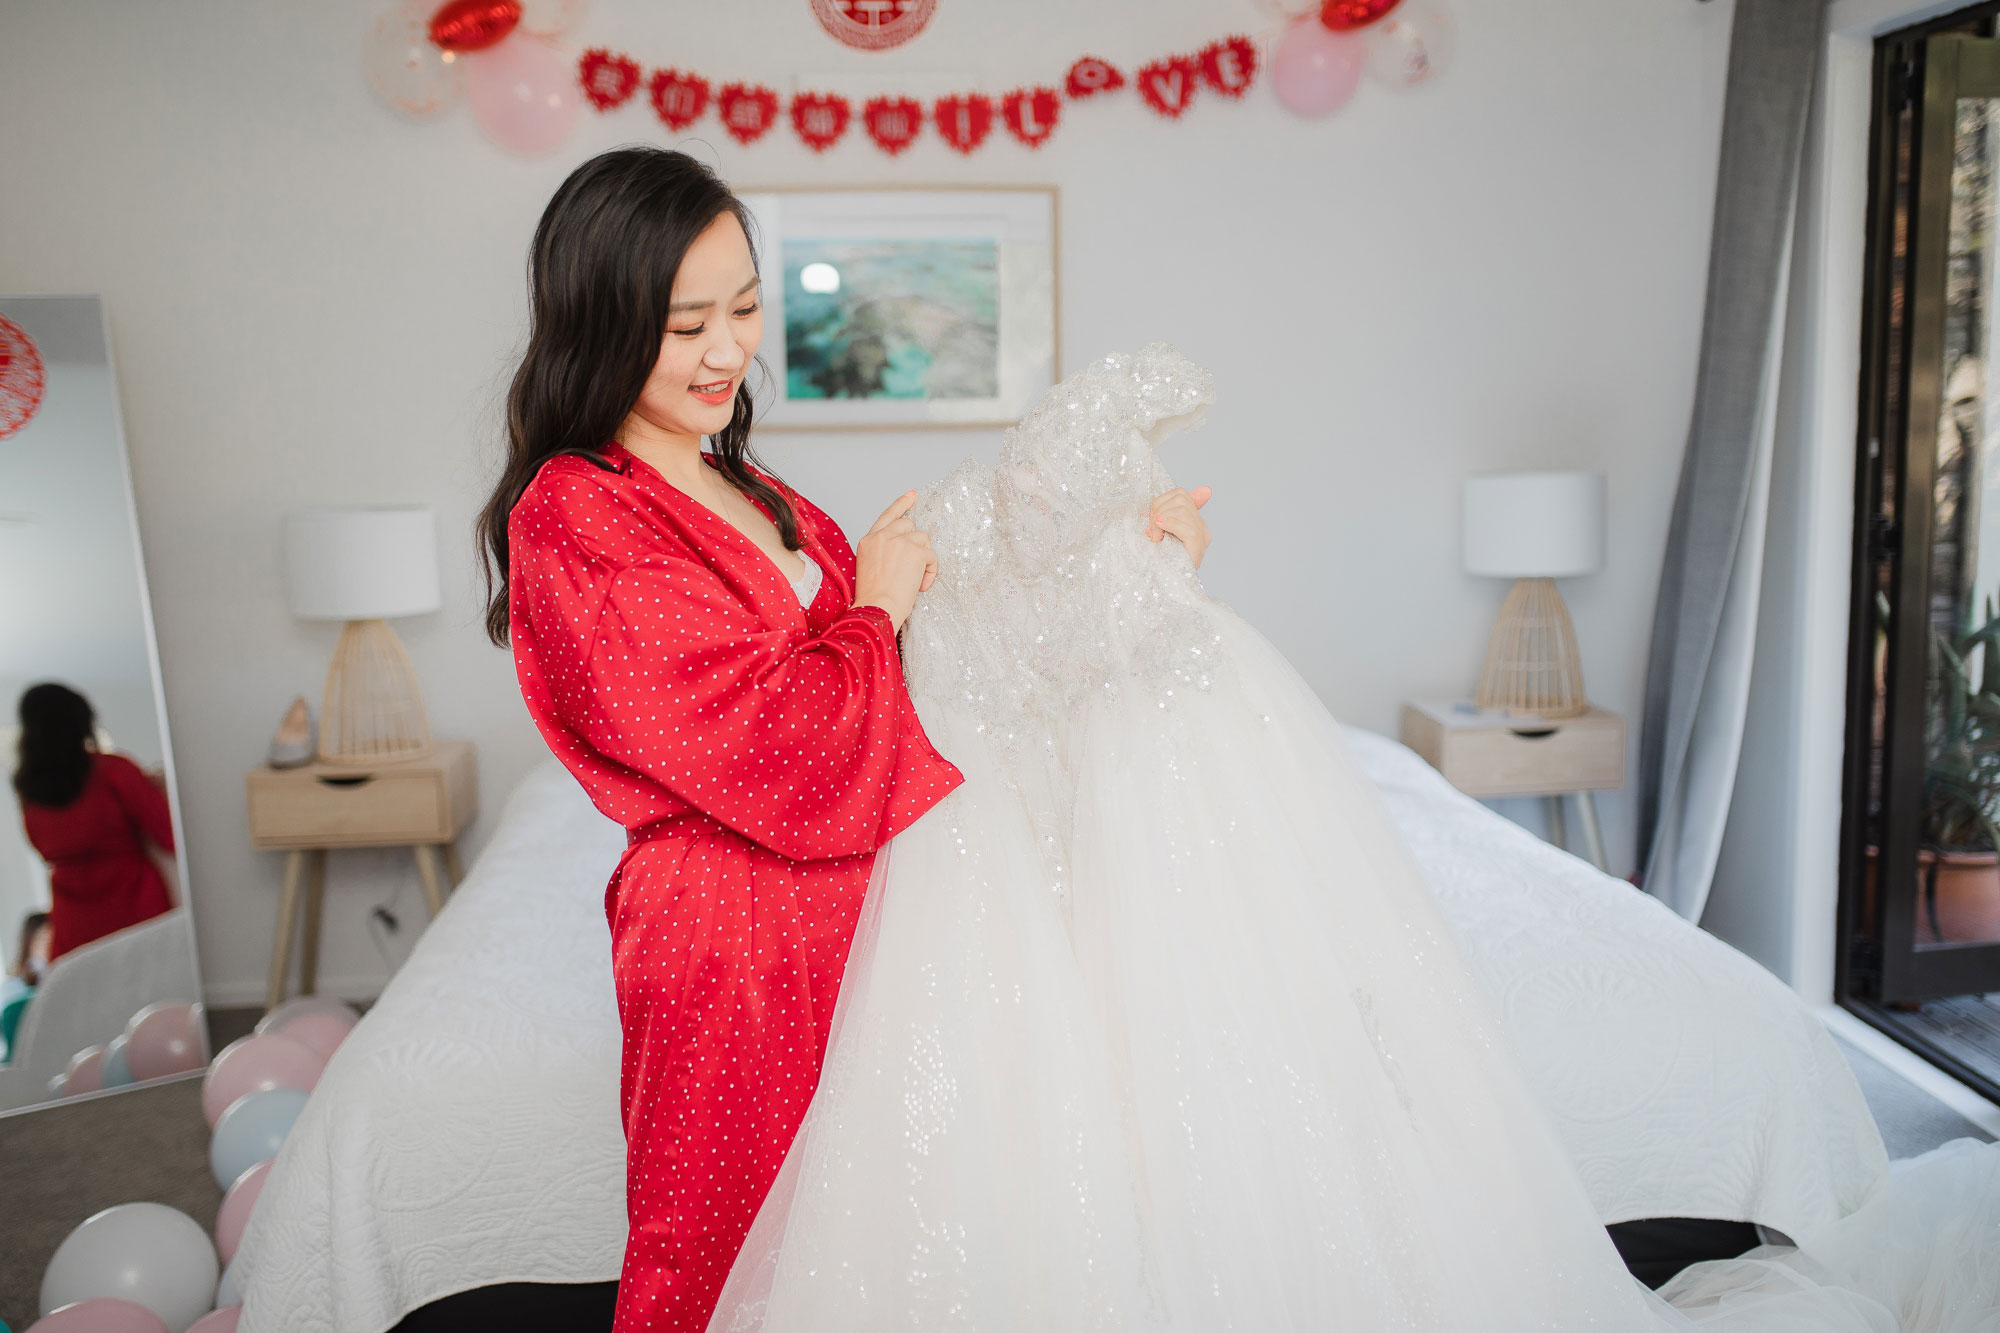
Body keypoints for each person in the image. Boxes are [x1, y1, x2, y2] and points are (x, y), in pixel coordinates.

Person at [707, 344, 2000, 1333]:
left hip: (1001, 823)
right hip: (1001, 823)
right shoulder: (1033, 556)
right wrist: (1166, 566)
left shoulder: (951, 536)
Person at [479, 148, 1210, 1333]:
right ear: (601, 322)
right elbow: (773, 737)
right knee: (721, 1255)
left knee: (865, 1253)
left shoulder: (745, 485)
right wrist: (875, 602)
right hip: (734, 946)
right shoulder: (577, 512)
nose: (727, 351)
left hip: (854, 925)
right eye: (685, 325)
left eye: (746, 310)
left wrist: (1130, 564)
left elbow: (917, 679)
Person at [13, 683, 175, 963]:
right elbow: (171, 835)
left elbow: (43, 848)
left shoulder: (30, 793)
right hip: (134, 902)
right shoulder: (115, 771)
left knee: (84, 995)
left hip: (72, 917)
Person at [0, 909, 50, 1062]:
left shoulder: (59, 977)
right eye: (41, 937)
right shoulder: (13, 988)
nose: (48, 943)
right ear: (28, 942)